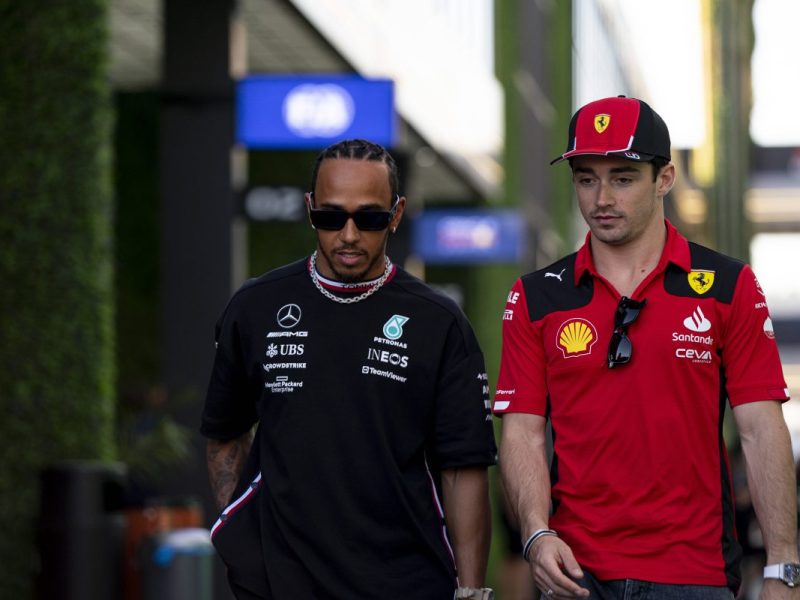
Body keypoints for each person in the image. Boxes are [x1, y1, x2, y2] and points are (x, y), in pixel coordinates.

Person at [493, 95, 798, 599]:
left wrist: (783, 569)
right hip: (576, 577)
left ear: (664, 179)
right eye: (586, 179)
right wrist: (536, 534)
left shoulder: (728, 286)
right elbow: (522, 434)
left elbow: (761, 430)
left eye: (623, 178)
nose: (601, 198)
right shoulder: (536, 297)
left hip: (695, 575)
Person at [200, 138, 497, 600]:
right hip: (281, 586)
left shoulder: (439, 323)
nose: (350, 234)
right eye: (331, 216)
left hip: (406, 585)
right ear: (310, 209)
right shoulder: (255, 307)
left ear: (396, 215)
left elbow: (464, 470)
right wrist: (245, 544)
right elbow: (225, 432)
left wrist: (472, 593)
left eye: (370, 218)